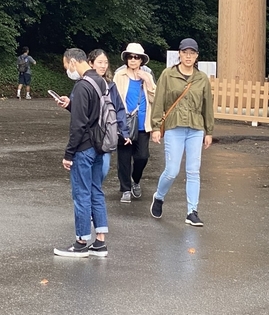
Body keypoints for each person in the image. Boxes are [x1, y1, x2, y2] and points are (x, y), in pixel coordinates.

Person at [150, 38, 214, 227]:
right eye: (185, 52)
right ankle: (159, 196)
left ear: (197, 56)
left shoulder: (201, 78)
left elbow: (207, 105)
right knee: (172, 170)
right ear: (179, 54)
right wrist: (155, 127)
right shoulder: (168, 75)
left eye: (192, 53)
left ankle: (192, 211)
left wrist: (209, 131)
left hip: (195, 127)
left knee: (193, 170)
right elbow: (159, 100)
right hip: (174, 126)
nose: (188, 56)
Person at [53, 48, 110, 258]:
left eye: (66, 66)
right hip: (99, 145)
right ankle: (100, 243)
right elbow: (93, 114)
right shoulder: (100, 82)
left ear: (73, 62)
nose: (67, 70)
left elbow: (79, 125)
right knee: (96, 191)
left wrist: (69, 154)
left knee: (81, 194)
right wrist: (71, 105)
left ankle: (81, 242)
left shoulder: (81, 85)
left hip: (84, 148)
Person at [113, 42, 156, 202]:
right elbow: (115, 100)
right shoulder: (120, 75)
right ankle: (125, 189)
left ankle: (135, 180)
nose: (133, 60)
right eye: (130, 57)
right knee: (124, 159)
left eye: (136, 57)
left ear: (142, 60)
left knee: (142, 157)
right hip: (124, 124)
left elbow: (155, 99)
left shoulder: (147, 76)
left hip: (143, 125)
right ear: (126, 58)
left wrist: (149, 82)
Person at [86, 48, 131, 185]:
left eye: (105, 62)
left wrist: (125, 132)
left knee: (103, 170)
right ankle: (90, 198)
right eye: (100, 62)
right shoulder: (84, 84)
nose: (103, 66)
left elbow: (120, 109)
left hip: (106, 134)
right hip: (88, 135)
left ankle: (94, 194)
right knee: (87, 170)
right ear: (90, 63)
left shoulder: (111, 86)